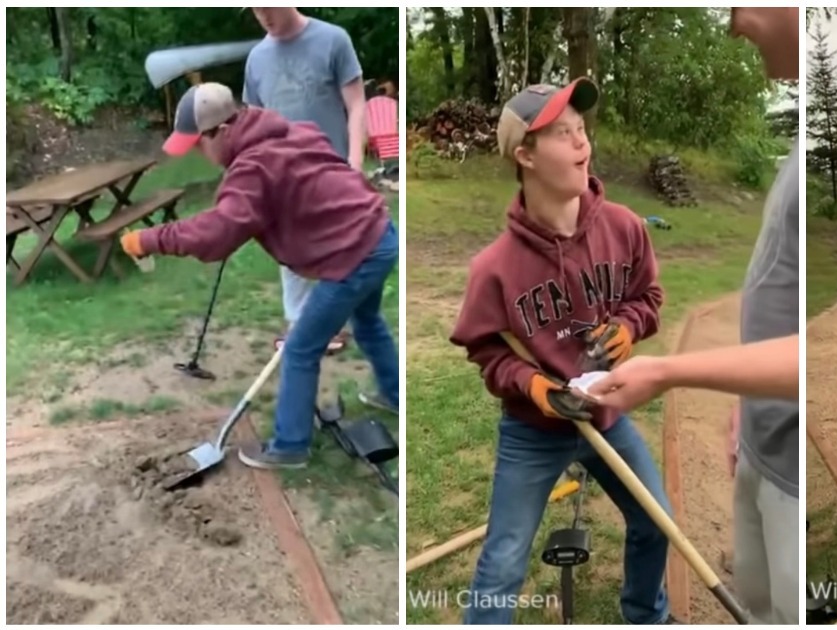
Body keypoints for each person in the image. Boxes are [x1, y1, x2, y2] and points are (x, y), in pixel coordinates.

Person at [590, 7, 802, 625]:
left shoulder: (626, 228)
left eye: (739, 8)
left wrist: (661, 367)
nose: (735, 27)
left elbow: (647, 301)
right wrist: (750, 397)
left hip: (790, 471)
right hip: (764, 441)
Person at [447, 78, 673, 625]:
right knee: (503, 558)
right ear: (525, 154)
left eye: (582, 129)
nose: (582, 143)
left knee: (656, 522)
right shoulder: (494, 268)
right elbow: (485, 350)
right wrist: (535, 388)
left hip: (607, 414)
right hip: (533, 432)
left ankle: (647, 615)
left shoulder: (623, 227)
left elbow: (649, 297)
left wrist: (627, 325)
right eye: (563, 133)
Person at [120, 82, 400, 468]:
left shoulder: (253, 168)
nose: (200, 154)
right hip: (380, 233)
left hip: (355, 253)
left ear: (221, 130)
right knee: (367, 321)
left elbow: (216, 234)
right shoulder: (292, 131)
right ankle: (395, 393)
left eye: (199, 143)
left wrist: (149, 239)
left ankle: (289, 447)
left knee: (301, 347)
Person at [243, 7, 367, 362]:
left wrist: (355, 162)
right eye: (255, 8)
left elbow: (357, 105)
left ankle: (339, 325)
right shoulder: (256, 60)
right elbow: (255, 122)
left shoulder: (333, 40)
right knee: (288, 251)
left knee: (340, 252)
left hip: (331, 172)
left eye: (268, 7)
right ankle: (300, 325)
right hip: (282, 176)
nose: (263, 15)